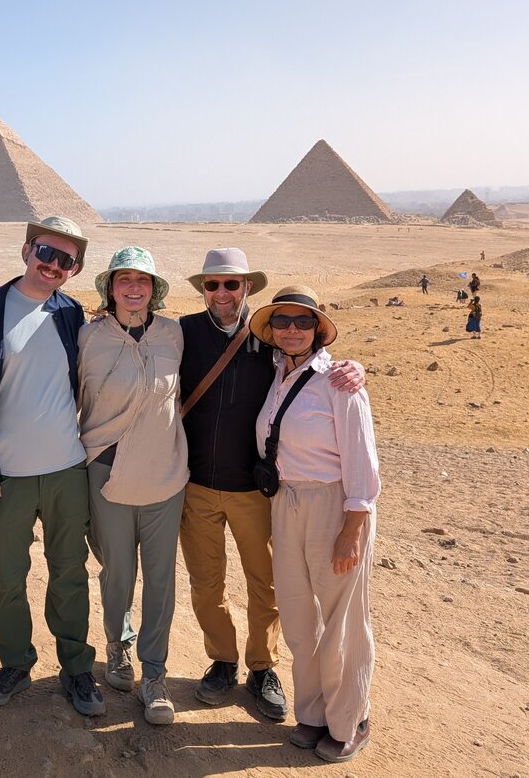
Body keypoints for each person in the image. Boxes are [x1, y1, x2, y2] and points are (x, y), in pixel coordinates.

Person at [178, 248, 364, 721]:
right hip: (196, 484)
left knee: (267, 583)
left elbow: (314, 368)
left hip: (255, 490)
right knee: (206, 583)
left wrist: (354, 368)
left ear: (248, 288)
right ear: (203, 290)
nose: (222, 293)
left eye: (232, 284)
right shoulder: (183, 332)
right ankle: (222, 661)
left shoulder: (271, 342)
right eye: (213, 285)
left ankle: (262, 667)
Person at [0, 216, 104, 717]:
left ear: (75, 270)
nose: (54, 265)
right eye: (46, 252)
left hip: (66, 470)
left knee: (70, 573)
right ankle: (15, 663)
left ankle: (77, 668)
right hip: (6, 475)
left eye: (66, 260)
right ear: (26, 250)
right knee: (8, 577)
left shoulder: (71, 313)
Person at [250, 285, 380, 764]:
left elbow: (362, 462)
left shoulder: (340, 382)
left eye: (302, 321)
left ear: (318, 328)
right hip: (286, 502)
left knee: (343, 618)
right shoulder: (274, 373)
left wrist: (352, 529)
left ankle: (350, 720)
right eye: (282, 321)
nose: (292, 329)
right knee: (298, 614)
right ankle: (313, 712)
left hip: (334, 505)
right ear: (270, 330)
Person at [77, 247, 187, 726]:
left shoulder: (174, 334)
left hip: (164, 476)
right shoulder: (88, 337)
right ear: (110, 288)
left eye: (143, 280)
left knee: (160, 579)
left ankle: (155, 674)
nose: (134, 288)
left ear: (155, 288)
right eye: (124, 279)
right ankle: (117, 645)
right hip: (107, 475)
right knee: (117, 572)